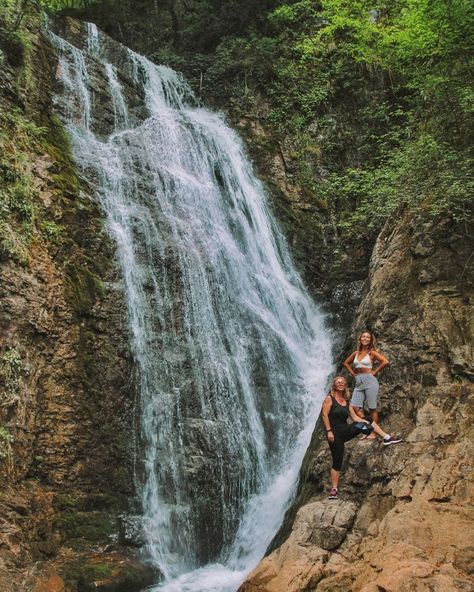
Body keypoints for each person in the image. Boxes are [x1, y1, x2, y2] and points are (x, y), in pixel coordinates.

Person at [321, 376, 401, 499]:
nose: (340, 383)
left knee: (367, 419)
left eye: (342, 382)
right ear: (334, 385)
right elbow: (325, 416)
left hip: (346, 430)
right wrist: (329, 431)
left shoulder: (346, 402)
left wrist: (365, 422)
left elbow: (355, 418)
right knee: (337, 462)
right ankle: (334, 490)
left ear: (345, 385)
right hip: (335, 434)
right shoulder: (329, 399)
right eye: (338, 382)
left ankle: (385, 437)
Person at [343, 330, 388, 431]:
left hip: (369, 381)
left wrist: (375, 371)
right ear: (360, 339)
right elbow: (346, 363)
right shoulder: (355, 353)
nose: (365, 338)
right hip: (358, 381)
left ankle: (374, 432)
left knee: (372, 408)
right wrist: (352, 373)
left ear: (371, 340)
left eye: (367, 337)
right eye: (363, 336)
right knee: (354, 406)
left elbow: (385, 361)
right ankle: (367, 427)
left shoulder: (372, 353)